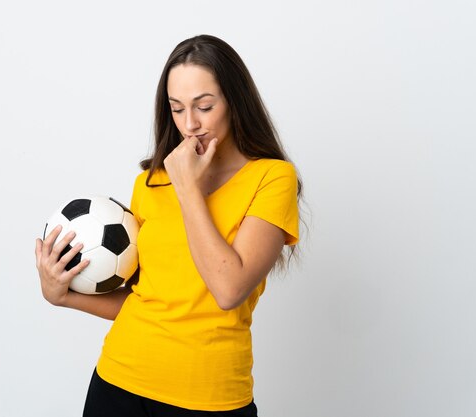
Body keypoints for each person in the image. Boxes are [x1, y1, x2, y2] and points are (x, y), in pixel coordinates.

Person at [35, 34, 303, 416]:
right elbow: (145, 299)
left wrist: (188, 187)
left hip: (210, 396)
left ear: (234, 102)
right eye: (177, 109)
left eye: (204, 106)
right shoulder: (150, 182)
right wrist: (61, 296)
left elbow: (229, 289)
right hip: (118, 381)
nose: (190, 124)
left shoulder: (272, 178)